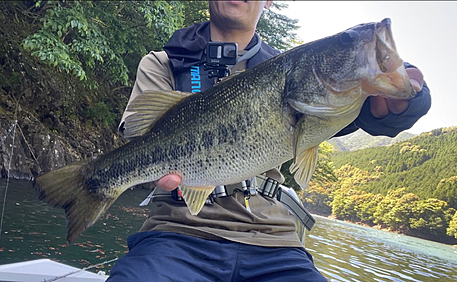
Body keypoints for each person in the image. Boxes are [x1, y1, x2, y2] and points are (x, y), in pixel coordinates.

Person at [107, 1, 431, 281]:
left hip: (272, 241)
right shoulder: (163, 63)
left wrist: (410, 101)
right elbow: (141, 135)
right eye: (347, 44)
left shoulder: (296, 72)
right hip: (176, 233)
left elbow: (379, 116)